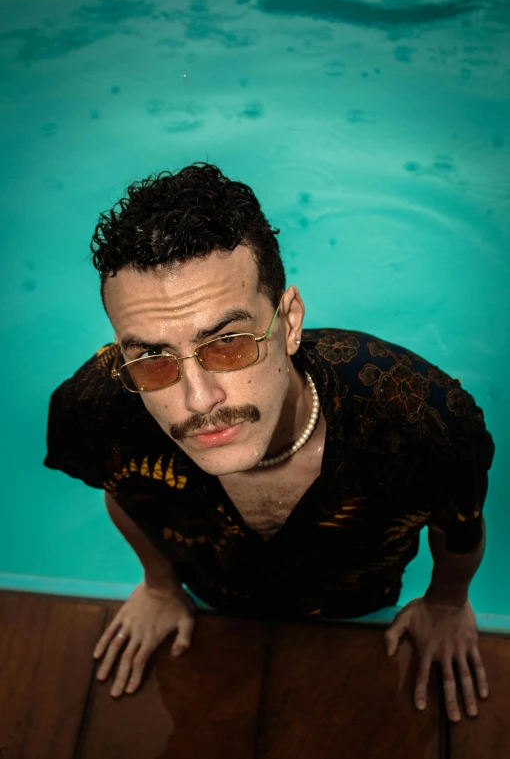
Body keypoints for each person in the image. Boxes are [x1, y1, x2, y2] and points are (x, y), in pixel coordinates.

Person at [44, 162, 495, 723]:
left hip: (359, 600)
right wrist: (159, 586)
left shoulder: (418, 418)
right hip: (213, 590)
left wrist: (448, 603)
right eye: (152, 357)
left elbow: (459, 522)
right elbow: (121, 489)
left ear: (289, 321)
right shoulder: (97, 409)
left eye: (229, 343)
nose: (199, 399)